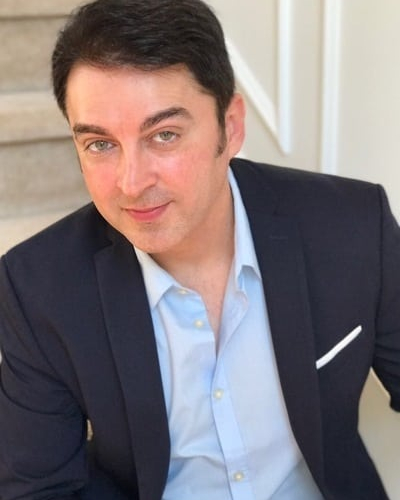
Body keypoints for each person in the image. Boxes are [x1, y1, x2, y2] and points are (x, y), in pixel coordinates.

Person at [0, 0, 399, 498]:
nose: (131, 183)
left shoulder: (352, 227)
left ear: (231, 127)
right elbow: (38, 490)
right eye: (100, 144)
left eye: (164, 135)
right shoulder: (37, 288)